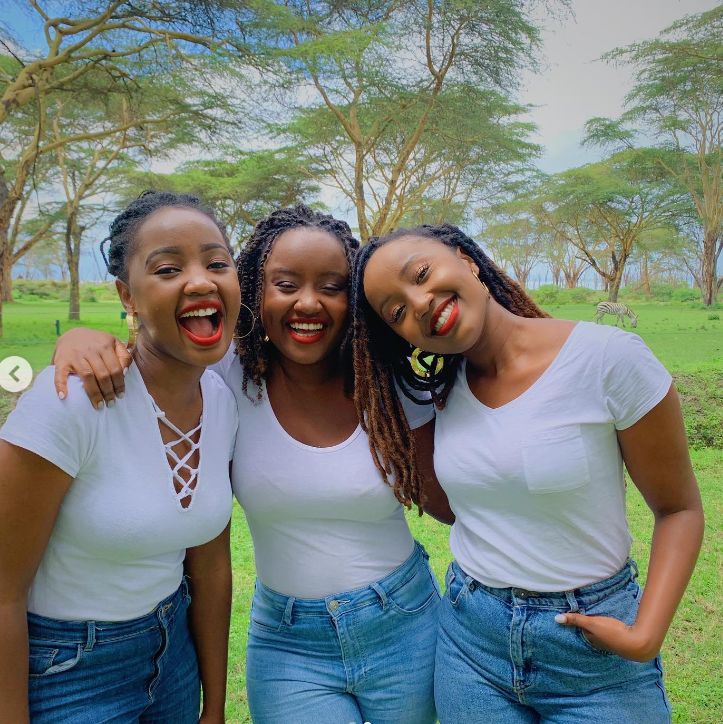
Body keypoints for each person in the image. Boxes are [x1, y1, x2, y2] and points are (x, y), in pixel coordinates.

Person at [50, 204, 449, 724]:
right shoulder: (227, 375)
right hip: (289, 643)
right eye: (285, 284)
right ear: (255, 291)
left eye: (331, 286)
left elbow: (456, 503)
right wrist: (78, 338)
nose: (309, 302)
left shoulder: (386, 381)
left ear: (352, 300)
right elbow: (153, 350)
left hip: (406, 622)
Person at [351, 223, 704, 724]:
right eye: (397, 312)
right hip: (472, 642)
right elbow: (458, 508)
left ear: (467, 259)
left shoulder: (606, 358)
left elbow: (680, 509)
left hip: (592, 648)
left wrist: (646, 633)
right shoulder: (438, 394)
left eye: (422, 274)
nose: (421, 303)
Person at [0, 191, 241, 724]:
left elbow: (210, 561)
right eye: (168, 268)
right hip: (65, 669)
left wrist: (216, 705)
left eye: (217, 262)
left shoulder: (222, 402)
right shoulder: (70, 402)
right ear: (127, 296)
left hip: (171, 655)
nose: (200, 280)